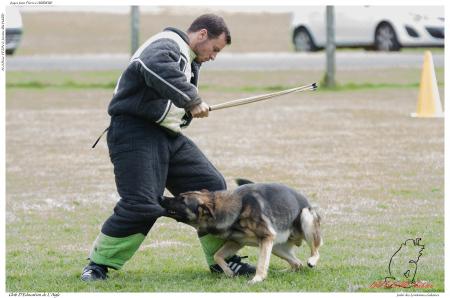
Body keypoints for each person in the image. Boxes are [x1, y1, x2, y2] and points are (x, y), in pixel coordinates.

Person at [81, 14, 255, 281]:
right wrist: (192, 99)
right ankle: (98, 265)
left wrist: (186, 112)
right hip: (134, 133)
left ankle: (223, 260)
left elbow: (163, 99)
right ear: (202, 34)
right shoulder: (168, 43)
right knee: (141, 203)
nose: (213, 56)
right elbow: (151, 65)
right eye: (215, 49)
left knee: (210, 187)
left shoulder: (187, 57)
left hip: (167, 136)